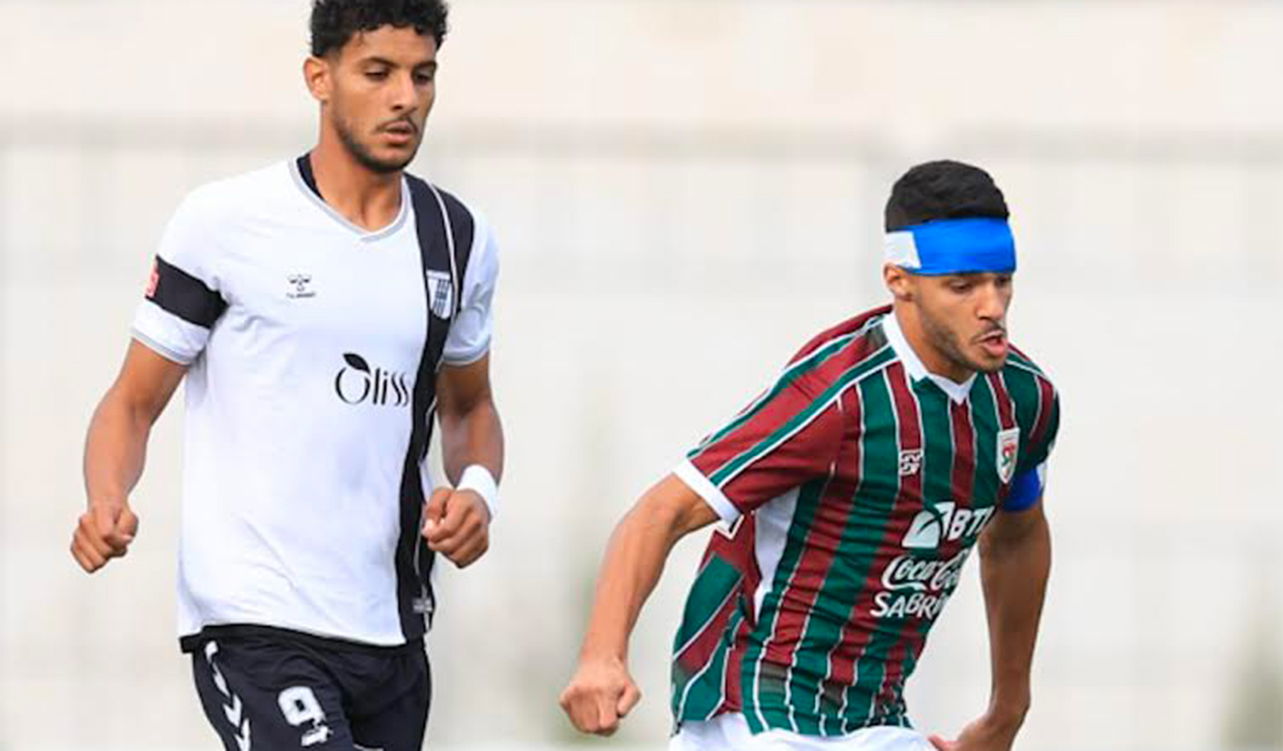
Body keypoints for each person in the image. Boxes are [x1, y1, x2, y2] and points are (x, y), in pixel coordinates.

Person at [68, 1, 504, 748]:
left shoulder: (458, 239)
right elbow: (132, 402)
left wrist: (478, 493)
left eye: (422, 75)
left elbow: (470, 409)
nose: (405, 98)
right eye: (378, 73)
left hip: (391, 629)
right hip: (255, 619)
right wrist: (107, 499)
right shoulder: (225, 222)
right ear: (318, 78)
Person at [560, 160, 1059, 751]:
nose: (992, 305)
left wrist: (1007, 710)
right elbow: (660, 511)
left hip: (875, 720)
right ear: (899, 280)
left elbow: (1018, 536)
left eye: (1002, 281)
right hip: (756, 712)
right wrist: (601, 656)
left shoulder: (1022, 399)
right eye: (963, 286)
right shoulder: (838, 397)